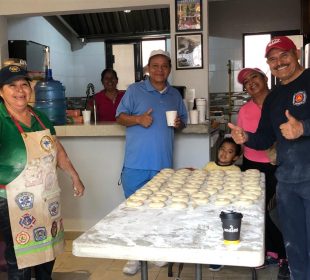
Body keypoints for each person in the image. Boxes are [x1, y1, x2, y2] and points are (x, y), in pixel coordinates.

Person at [228, 36, 309, 279]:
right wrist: (246, 138)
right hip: (286, 182)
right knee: (294, 245)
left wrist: (303, 128)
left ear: (296, 53)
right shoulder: (274, 97)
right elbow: (264, 137)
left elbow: (300, 128)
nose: (279, 62)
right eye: (272, 59)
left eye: (284, 55)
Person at [0, 64, 85, 279]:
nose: (20, 90)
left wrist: (74, 176)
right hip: (12, 200)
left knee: (48, 249)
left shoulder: (40, 117)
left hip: (46, 198)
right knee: (21, 258)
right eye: (12, 86)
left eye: (24, 85)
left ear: (31, 89)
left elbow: (56, 149)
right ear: (1, 91)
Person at [116, 49, 187, 275]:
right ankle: (135, 257)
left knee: (160, 211)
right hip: (135, 164)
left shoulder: (174, 94)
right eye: (155, 66)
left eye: (164, 66)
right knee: (135, 212)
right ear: (148, 68)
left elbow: (182, 121)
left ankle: (156, 251)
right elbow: (120, 117)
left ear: (169, 69)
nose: (159, 70)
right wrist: (138, 119)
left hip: (163, 165)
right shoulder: (134, 90)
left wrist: (178, 123)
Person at [236, 67, 289, 278]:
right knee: (257, 211)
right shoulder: (244, 110)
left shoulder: (280, 100)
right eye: (246, 82)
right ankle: (269, 251)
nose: (251, 83)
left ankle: (286, 254)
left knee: (279, 211)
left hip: (279, 165)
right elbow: (242, 139)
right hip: (252, 165)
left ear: (265, 78)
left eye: (254, 77)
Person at [204, 136, 241, 272]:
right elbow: (202, 181)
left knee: (222, 232)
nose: (224, 153)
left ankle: (219, 258)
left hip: (225, 207)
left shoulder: (235, 171)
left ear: (235, 157)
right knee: (210, 230)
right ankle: (209, 253)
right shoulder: (209, 166)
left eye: (229, 151)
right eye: (222, 149)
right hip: (209, 204)